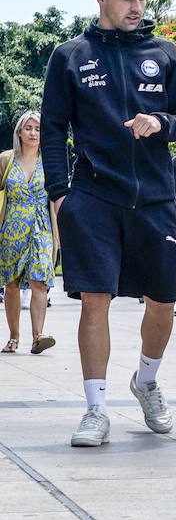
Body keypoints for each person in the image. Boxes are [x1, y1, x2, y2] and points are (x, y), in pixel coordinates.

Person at [41, 0, 176, 447]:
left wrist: (162, 123)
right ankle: (96, 408)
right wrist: (60, 196)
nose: (136, 7)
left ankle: (146, 381)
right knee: (95, 301)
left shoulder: (166, 53)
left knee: (165, 300)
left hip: (154, 199)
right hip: (92, 197)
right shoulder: (70, 55)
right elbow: (51, 130)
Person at [1, 111, 58, 355]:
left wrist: (60, 236)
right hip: (11, 228)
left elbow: (56, 200)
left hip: (41, 227)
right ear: (20, 132)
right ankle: (14, 337)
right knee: (12, 284)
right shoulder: (6, 159)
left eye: (38, 128)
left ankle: (38, 336)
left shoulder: (50, 162)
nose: (34, 133)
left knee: (39, 281)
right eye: (29, 128)